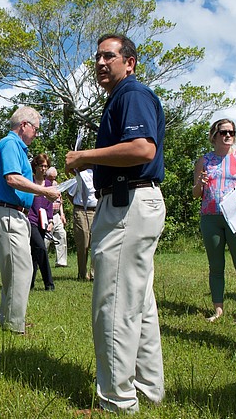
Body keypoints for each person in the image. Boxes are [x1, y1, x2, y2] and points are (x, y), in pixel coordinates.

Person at [65, 34, 165, 412]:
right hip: (133, 201)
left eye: (109, 56)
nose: (101, 62)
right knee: (139, 302)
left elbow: (142, 149)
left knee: (115, 303)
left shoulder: (131, 95)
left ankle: (116, 399)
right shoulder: (122, 97)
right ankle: (149, 388)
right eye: (97, 57)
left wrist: (86, 156)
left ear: (130, 61)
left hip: (128, 202)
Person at [0, 106, 60, 334]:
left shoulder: (15, 147)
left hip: (14, 213)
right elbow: (12, 178)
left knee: (15, 271)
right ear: (24, 126)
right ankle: (15, 325)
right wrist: (44, 192)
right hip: (9, 213)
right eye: (36, 129)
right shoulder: (10, 144)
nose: (37, 134)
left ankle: (7, 319)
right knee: (21, 269)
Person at [193, 119, 236, 324]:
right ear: (214, 135)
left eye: (232, 132)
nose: (228, 135)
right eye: (224, 132)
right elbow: (195, 194)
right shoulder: (204, 161)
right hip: (210, 217)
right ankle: (218, 310)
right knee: (216, 265)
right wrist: (199, 185)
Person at [29, 154, 55, 291]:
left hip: (43, 222)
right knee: (41, 249)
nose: (43, 169)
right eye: (41, 166)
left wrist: (50, 220)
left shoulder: (49, 185)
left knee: (34, 254)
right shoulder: (29, 182)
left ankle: (30, 284)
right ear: (36, 167)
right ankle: (49, 284)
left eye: (46, 166)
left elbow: (50, 204)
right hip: (30, 220)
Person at [70, 169, 97, 281]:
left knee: (96, 242)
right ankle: (82, 274)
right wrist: (79, 205)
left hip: (96, 210)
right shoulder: (80, 177)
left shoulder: (99, 176)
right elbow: (70, 194)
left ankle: (94, 274)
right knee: (83, 243)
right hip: (81, 211)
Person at [44, 167, 68, 268]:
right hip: (46, 215)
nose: (53, 180)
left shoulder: (56, 184)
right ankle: (41, 260)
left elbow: (60, 200)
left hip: (57, 214)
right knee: (45, 239)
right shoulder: (43, 185)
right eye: (51, 178)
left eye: (54, 178)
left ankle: (61, 262)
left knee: (62, 235)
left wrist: (62, 214)